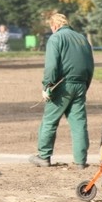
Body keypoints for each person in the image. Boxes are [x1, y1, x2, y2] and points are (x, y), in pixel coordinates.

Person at [29, 13, 94, 169]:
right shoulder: (82, 38)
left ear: (55, 25)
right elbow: (90, 64)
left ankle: (44, 156)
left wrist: (47, 86)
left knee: (50, 121)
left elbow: (51, 65)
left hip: (62, 86)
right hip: (81, 84)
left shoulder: (56, 38)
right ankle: (80, 161)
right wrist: (85, 85)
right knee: (79, 124)